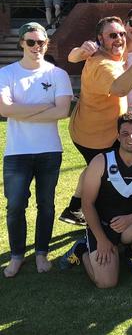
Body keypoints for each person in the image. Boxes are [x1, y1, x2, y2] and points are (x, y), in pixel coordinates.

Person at [60, 17, 132, 226]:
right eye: (113, 35)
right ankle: (95, 218)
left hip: (89, 130)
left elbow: (73, 56)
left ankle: (74, 208)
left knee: (92, 168)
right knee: (100, 175)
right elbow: (120, 89)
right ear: (100, 39)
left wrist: (79, 52)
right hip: (95, 136)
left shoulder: (109, 54)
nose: (120, 38)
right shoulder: (103, 65)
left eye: (121, 33)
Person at [0, 22, 72, 278]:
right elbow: (5, 109)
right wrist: (44, 107)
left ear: (46, 43)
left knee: (46, 204)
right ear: (21, 43)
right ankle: (17, 255)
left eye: (40, 42)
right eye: (30, 42)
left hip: (49, 151)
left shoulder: (57, 74)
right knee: (16, 205)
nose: (36, 47)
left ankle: (41, 252)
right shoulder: (7, 73)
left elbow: (62, 111)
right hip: (17, 152)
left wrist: (22, 110)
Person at [59, 112, 132, 287]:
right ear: (118, 136)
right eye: (125, 133)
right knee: (106, 283)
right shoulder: (101, 161)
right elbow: (87, 204)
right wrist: (101, 239)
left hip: (129, 225)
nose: (131, 138)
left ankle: (130, 254)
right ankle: (83, 249)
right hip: (101, 226)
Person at [68, 7, 132, 152]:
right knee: (106, 169)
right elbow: (72, 57)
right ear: (126, 24)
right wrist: (81, 51)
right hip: (98, 132)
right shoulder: (105, 57)